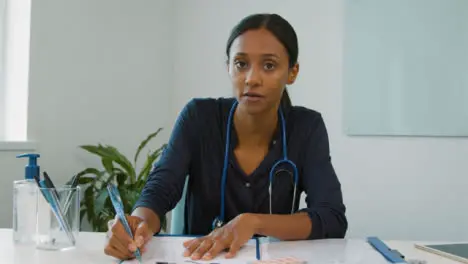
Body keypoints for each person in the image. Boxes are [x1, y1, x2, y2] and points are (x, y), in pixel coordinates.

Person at [104, 13, 348, 261]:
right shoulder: (198, 117)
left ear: (292, 72)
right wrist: (138, 226)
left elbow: (332, 217)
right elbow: (160, 190)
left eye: (269, 65)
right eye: (241, 64)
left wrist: (252, 223)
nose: (251, 78)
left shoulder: (306, 127)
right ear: (228, 67)